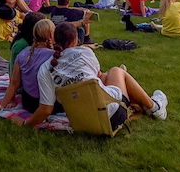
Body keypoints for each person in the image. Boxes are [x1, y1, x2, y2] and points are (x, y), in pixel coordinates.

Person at [20, 22, 168, 128]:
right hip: (111, 114)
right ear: (76, 40)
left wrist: (26, 123)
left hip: (81, 120)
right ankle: (155, 107)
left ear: (53, 40)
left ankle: (146, 103)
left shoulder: (46, 68)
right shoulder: (85, 52)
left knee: (107, 76)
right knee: (116, 71)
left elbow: (46, 108)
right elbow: (98, 75)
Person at [0, 19, 59, 114]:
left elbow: (13, 84)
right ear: (51, 35)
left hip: (28, 104)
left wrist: (2, 105)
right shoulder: (55, 56)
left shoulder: (23, 53)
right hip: (48, 105)